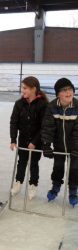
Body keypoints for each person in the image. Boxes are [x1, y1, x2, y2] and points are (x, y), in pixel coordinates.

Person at [9, 76, 48, 200]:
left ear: (33, 89)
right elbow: (13, 122)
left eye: (25, 88)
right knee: (21, 162)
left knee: (33, 164)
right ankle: (18, 183)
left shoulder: (43, 104)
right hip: (23, 139)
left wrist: (35, 142)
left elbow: (44, 126)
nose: (22, 90)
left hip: (37, 141)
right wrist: (13, 139)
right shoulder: (19, 104)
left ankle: (33, 185)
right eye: (22, 88)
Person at [41, 78, 78, 207]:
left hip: (75, 147)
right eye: (64, 90)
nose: (68, 92)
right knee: (58, 167)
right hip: (59, 145)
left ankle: (73, 190)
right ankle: (56, 186)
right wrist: (46, 144)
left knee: (75, 168)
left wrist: (76, 148)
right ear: (58, 94)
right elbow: (48, 127)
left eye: (70, 89)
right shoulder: (52, 107)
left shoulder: (77, 106)